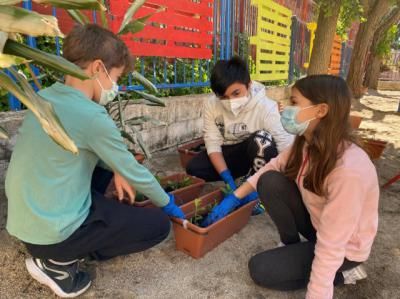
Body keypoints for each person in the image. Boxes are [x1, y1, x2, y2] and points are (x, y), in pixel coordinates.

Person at [5, 24, 184, 298]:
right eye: (116, 77)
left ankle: (66, 247)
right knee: (158, 225)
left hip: (27, 220)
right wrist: (169, 205)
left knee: (104, 176)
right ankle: (59, 265)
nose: (116, 86)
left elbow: (84, 152)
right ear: (98, 68)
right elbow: (135, 172)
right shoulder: (91, 115)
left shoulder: (45, 96)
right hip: (53, 237)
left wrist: (116, 168)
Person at [202, 75, 379, 299]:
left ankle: (345, 274)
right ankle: (291, 247)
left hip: (344, 247)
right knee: (270, 181)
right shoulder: (307, 142)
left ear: (321, 110)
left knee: (261, 269)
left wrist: (318, 293)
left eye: (295, 102)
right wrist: (235, 196)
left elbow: (332, 246)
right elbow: (274, 166)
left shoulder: (348, 170)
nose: (285, 107)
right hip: (319, 224)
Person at [186, 56, 294, 214]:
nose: (230, 101)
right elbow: (212, 143)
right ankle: (238, 179)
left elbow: (287, 149)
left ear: (249, 85)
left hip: (257, 153)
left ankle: (259, 191)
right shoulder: (211, 104)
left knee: (261, 139)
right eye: (223, 97)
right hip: (231, 150)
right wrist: (227, 179)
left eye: (236, 93)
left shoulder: (267, 108)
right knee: (194, 168)